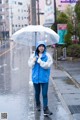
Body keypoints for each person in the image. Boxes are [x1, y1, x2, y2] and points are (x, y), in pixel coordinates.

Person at [28, 41, 53, 116]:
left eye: (42, 46)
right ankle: (38, 105)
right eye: (39, 46)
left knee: (44, 94)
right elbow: (29, 65)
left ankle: (45, 108)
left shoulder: (47, 56)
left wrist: (40, 61)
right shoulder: (33, 55)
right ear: (37, 47)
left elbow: (48, 65)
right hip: (36, 78)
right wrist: (33, 61)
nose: (41, 47)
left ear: (44, 47)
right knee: (37, 93)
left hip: (44, 78)